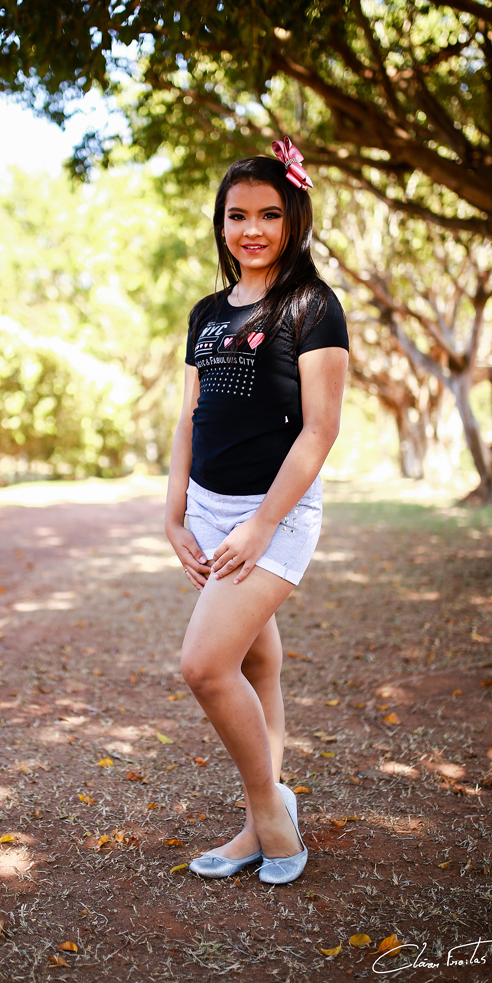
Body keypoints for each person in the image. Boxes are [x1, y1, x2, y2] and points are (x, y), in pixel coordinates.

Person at [164, 138, 349, 886]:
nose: (252, 229)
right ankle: (257, 823)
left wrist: (262, 524)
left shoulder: (312, 305)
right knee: (254, 660)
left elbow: (320, 429)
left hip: (275, 514)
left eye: (269, 214)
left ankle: (271, 811)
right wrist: (174, 516)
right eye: (237, 215)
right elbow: (189, 419)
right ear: (221, 223)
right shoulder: (206, 314)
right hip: (209, 511)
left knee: (204, 665)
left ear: (292, 219)